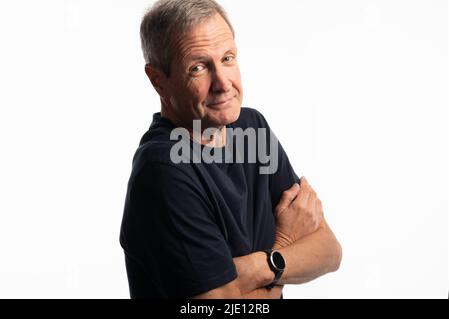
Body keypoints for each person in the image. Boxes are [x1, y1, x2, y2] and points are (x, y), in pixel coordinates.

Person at [120, 0, 342, 299]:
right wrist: (285, 242)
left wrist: (255, 269)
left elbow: (329, 250)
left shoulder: (252, 127)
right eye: (198, 67)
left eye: (227, 58)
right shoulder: (163, 171)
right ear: (158, 81)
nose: (223, 84)